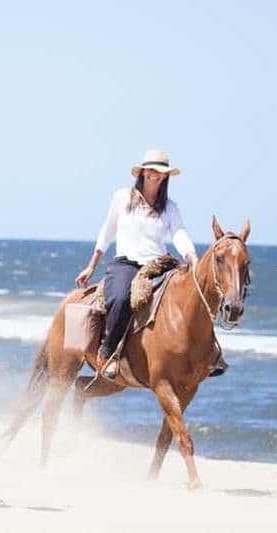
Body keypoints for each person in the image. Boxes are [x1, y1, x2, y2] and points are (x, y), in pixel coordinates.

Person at [75, 149, 198, 378]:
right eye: (151, 170)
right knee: (121, 297)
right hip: (127, 264)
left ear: (165, 177)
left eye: (161, 172)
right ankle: (108, 352)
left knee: (189, 297)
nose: (156, 175)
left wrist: (191, 255)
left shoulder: (170, 207)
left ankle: (206, 353)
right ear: (142, 172)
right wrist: (92, 265)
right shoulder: (123, 197)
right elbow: (107, 230)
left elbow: (179, 232)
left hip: (159, 264)